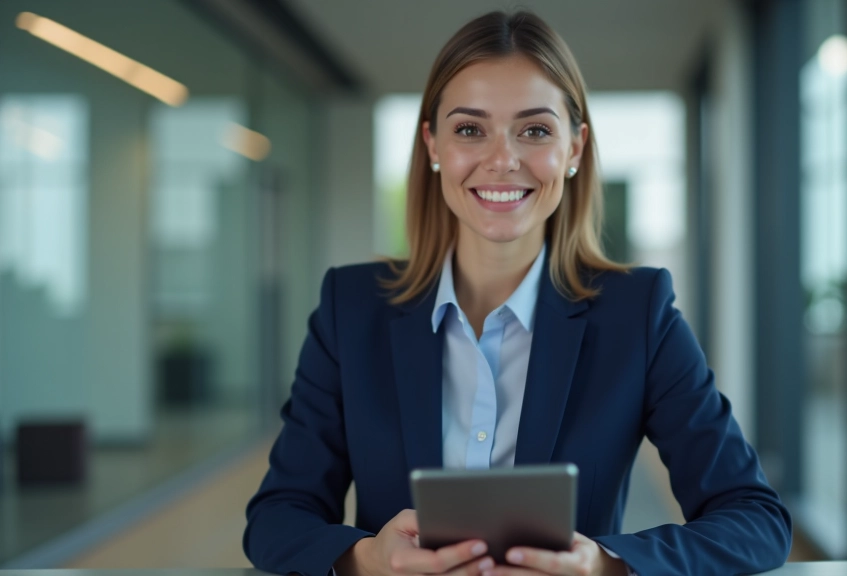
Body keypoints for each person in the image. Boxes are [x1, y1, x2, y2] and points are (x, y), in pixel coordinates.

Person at [244, 10, 791, 576]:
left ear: (575, 148)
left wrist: (604, 565)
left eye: (534, 130)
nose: (502, 160)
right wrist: (365, 559)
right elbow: (279, 516)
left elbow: (754, 518)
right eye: (469, 129)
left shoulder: (639, 313)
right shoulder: (350, 307)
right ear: (433, 144)